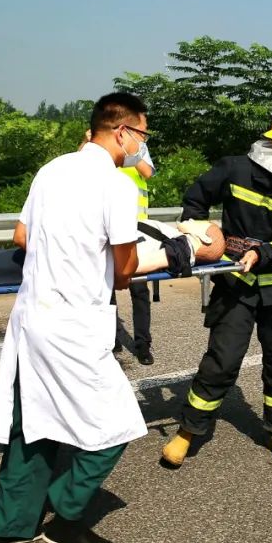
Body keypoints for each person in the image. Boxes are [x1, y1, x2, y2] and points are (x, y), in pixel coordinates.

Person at [0, 92, 148, 543]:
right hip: (75, 322)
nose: (141, 145)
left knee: (32, 420)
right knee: (117, 421)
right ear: (122, 132)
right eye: (142, 135)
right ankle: (67, 516)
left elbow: (21, 236)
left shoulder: (52, 169)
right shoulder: (118, 185)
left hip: (32, 316)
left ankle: (8, 526)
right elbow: (123, 269)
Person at [161, 103, 272, 468]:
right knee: (222, 361)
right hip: (235, 287)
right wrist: (203, 235)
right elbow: (195, 201)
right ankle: (189, 430)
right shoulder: (234, 168)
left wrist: (264, 253)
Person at [114, 126, 157, 364]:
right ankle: (111, 340)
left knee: (140, 289)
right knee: (105, 288)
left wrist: (129, 151)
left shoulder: (140, 147)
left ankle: (143, 345)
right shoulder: (99, 150)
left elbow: (148, 173)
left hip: (137, 229)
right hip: (108, 229)